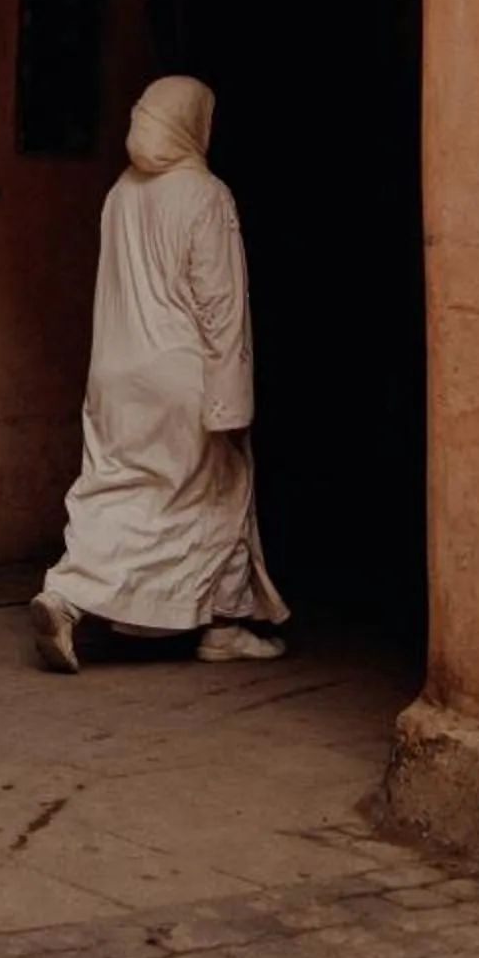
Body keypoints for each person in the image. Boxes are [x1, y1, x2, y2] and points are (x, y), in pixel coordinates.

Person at [30, 73, 287, 672]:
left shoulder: (121, 192)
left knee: (114, 492)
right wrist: (231, 399)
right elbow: (220, 307)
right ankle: (223, 627)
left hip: (116, 376)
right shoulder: (205, 195)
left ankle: (66, 595)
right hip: (181, 376)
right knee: (220, 492)